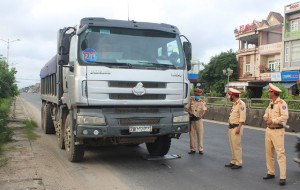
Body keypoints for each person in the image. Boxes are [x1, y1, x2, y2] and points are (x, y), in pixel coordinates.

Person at [262, 83, 288, 186]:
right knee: (269, 153)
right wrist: (266, 118)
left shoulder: (282, 103)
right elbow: (265, 114)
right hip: (269, 130)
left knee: (280, 154)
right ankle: (270, 172)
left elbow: (285, 117)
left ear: (274, 93)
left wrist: (273, 120)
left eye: (270, 92)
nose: (268, 93)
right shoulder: (270, 103)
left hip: (278, 131)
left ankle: (283, 177)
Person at [225, 88, 246, 169]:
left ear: (233, 96)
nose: (229, 96)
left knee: (237, 146)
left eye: (230, 95)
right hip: (231, 127)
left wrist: (239, 128)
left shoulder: (241, 104)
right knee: (232, 145)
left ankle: (238, 162)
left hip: (237, 127)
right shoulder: (234, 103)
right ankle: (233, 161)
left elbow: (242, 118)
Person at [185, 88, 207, 155]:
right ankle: (192, 149)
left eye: (199, 94)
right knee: (191, 135)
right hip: (192, 120)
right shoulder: (191, 100)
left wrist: (199, 116)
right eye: (196, 94)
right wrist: (190, 113)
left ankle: (200, 149)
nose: (197, 95)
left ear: (200, 94)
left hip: (198, 120)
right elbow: (186, 108)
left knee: (200, 135)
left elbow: (204, 110)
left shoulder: (202, 102)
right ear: (194, 94)